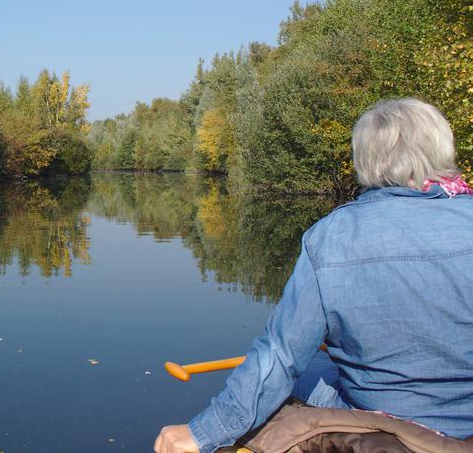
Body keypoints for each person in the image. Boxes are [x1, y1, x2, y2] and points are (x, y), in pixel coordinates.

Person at [154, 98, 473, 453]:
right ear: (443, 150)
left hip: (383, 419)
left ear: (364, 161)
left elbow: (280, 355)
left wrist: (202, 433)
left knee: (305, 370)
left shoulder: (330, 237)